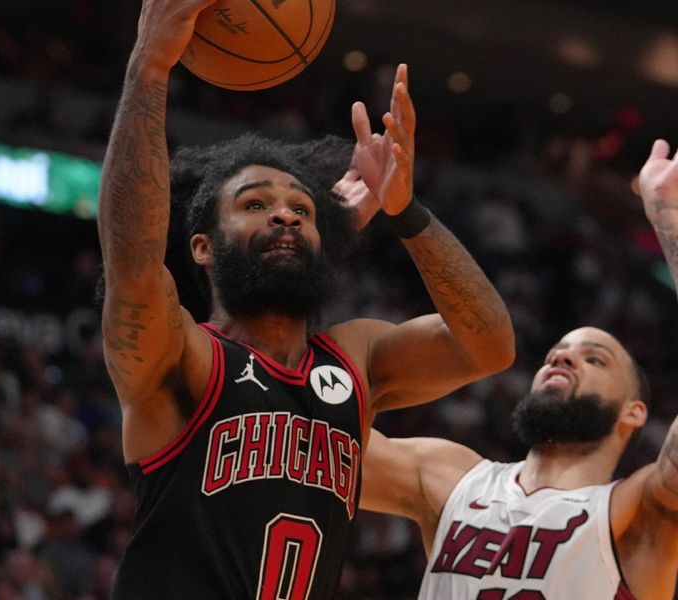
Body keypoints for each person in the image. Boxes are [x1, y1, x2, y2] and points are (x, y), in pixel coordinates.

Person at [96, 1, 514, 598]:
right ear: (203, 248)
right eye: (255, 205)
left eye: (304, 209)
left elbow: (490, 348)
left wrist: (406, 211)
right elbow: (131, 264)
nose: (286, 213)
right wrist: (149, 67)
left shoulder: (353, 360)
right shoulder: (184, 359)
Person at [360, 141, 678, 599]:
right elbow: (303, 436)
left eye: (595, 358)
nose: (562, 357)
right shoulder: (450, 477)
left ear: (635, 412)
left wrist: (667, 219)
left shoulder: (634, 512)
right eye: (557, 351)